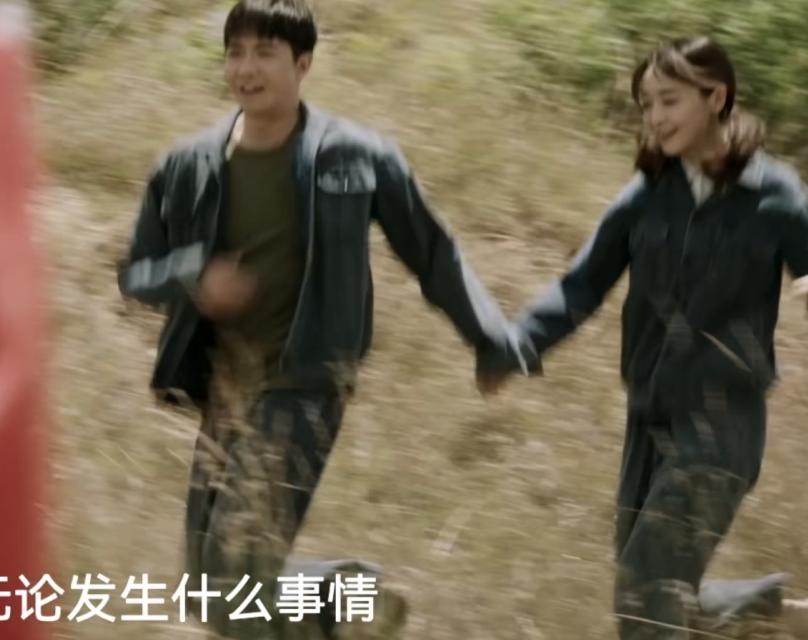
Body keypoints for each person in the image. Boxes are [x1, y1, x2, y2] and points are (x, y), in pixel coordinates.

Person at [116, 1, 537, 637]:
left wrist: (490, 338)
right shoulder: (187, 164)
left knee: (234, 580)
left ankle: (341, 603)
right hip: (223, 391)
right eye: (235, 53)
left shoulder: (357, 157)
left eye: (265, 53)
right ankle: (347, 598)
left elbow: (432, 252)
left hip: (307, 383)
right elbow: (134, 273)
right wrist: (193, 276)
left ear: (303, 64)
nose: (246, 68)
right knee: (209, 597)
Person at [506, 36, 808, 639]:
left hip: (722, 427)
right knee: (645, 601)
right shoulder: (648, 194)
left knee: (648, 592)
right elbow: (582, 284)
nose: (655, 117)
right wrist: (518, 343)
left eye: (669, 100)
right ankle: (779, 616)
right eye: (646, 104)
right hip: (648, 417)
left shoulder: (774, 194)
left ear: (716, 97)